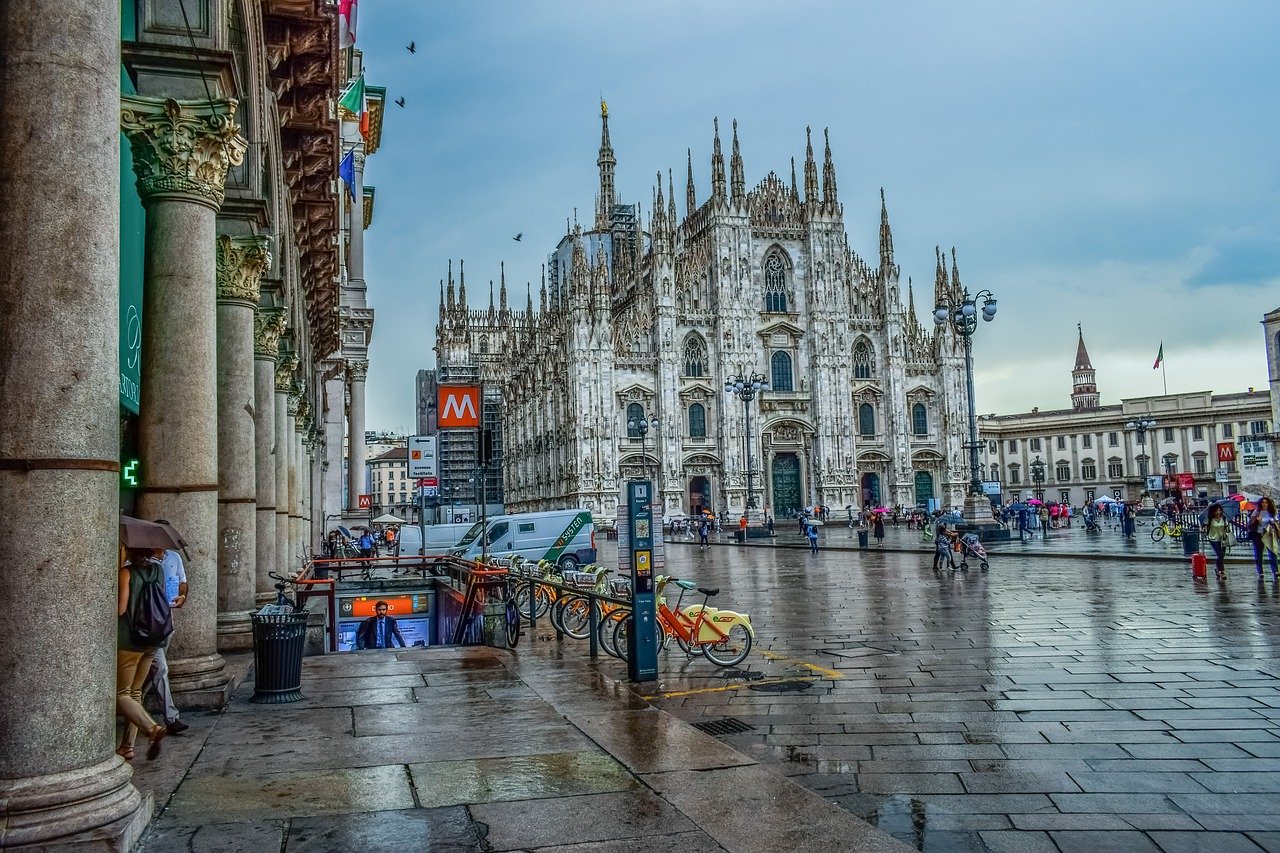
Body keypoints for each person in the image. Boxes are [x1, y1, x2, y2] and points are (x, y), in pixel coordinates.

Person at [117, 548, 168, 761]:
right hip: (153, 640)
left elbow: (121, 609)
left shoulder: (126, 573)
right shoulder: (158, 571)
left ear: (130, 552)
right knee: (136, 693)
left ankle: (151, 728)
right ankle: (127, 746)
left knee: (121, 693)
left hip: (130, 640)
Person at [150, 547, 189, 736]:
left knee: (153, 671)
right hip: (148, 625)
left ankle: (135, 706)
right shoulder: (136, 566)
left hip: (166, 619)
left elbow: (183, 581)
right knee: (160, 668)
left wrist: (182, 596)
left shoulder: (173, 557)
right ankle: (170, 719)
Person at [1249, 497, 1280, 579]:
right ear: (1260, 503)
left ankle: (1275, 571)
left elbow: (1276, 522)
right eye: (1263, 502)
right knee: (1259, 554)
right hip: (1258, 535)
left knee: (1273, 552)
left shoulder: (1272, 512)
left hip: (1269, 534)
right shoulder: (1257, 512)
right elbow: (1250, 523)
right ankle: (1260, 571)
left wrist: (1274, 522)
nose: (1265, 504)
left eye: (1266, 502)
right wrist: (1256, 520)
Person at [1204, 504, 1231, 581]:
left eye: (1219, 510)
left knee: (1222, 555)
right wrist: (1204, 530)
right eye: (1216, 511)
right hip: (1213, 539)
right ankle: (1222, 571)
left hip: (1223, 539)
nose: (1218, 512)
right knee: (1219, 554)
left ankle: (1217, 568)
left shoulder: (1224, 518)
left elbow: (1227, 528)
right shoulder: (1209, 519)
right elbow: (1205, 527)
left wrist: (1227, 529)